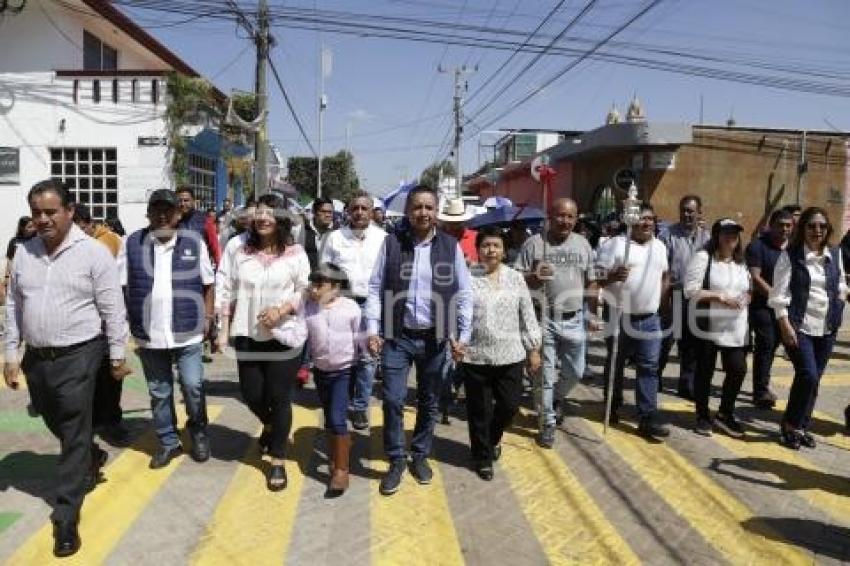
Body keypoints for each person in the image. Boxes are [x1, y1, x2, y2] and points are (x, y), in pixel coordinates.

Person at [4, 179, 129, 557]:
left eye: (50, 212)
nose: (42, 220)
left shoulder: (94, 253)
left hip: (81, 353)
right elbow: (13, 306)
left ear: (69, 211)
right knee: (51, 416)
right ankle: (89, 456)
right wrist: (10, 354)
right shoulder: (23, 253)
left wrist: (118, 355)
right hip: (37, 358)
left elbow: (112, 307)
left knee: (74, 426)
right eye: (36, 213)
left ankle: (66, 515)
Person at [365, 184, 472, 496]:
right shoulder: (392, 243)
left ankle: (420, 454)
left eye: (428, 207)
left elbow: (464, 293)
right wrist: (373, 328)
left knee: (429, 401)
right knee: (394, 399)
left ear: (436, 211)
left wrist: (462, 336)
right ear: (408, 211)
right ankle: (397, 458)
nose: (423, 212)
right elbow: (375, 287)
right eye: (417, 207)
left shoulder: (450, 247)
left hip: (436, 338)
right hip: (397, 336)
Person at [216, 193, 309, 490]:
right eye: (258, 212)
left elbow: (306, 289)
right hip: (247, 334)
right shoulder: (237, 247)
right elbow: (224, 286)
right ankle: (270, 426)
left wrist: (281, 310)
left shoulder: (295, 253)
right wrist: (222, 329)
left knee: (279, 396)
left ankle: (278, 460)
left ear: (281, 219)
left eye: (270, 213)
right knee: (253, 394)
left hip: (285, 335)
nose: (263, 218)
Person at [120, 190, 215, 468]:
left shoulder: (193, 242)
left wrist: (208, 316)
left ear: (177, 214)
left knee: (192, 385)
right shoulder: (132, 243)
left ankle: (198, 431)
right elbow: (121, 286)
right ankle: (168, 441)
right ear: (148, 213)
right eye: (156, 210)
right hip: (149, 333)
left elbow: (208, 283)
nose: (162, 215)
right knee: (159, 392)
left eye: (168, 210)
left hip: (188, 330)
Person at [273, 263, 363, 497]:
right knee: (330, 417)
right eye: (312, 283)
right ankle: (339, 446)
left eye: (319, 284)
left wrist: (370, 349)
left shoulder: (351, 308)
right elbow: (296, 338)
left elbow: (359, 337)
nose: (314, 288)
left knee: (336, 417)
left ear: (336, 287)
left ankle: (340, 470)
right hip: (322, 373)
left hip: (345, 371)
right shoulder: (309, 309)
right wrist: (273, 329)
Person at [460, 227, 541, 480]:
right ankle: (482, 457)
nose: (491, 250)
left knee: (510, 406)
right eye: (485, 245)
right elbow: (456, 313)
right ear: (478, 249)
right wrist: (455, 342)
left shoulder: (516, 278)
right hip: (475, 355)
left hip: (511, 355)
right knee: (479, 411)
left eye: (496, 245)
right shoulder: (467, 277)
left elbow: (527, 314)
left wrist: (534, 349)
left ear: (504, 251)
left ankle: (492, 439)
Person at [515, 198, 597, 448]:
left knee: (576, 371)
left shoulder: (583, 244)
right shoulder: (535, 244)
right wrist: (533, 275)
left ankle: (555, 399)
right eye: (560, 215)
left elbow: (591, 280)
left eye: (570, 217)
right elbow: (516, 279)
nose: (565, 221)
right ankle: (547, 421)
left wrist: (593, 313)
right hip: (543, 317)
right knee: (544, 375)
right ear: (550, 216)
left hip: (574, 318)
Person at [770, 207, 847, 450]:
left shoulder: (835, 254)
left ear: (828, 230)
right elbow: (778, 295)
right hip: (799, 326)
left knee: (814, 380)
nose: (817, 231)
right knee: (808, 375)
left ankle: (802, 426)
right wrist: (784, 324)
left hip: (827, 326)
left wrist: (841, 297)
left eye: (822, 226)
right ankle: (790, 425)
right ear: (802, 228)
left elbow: (841, 283)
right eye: (812, 226)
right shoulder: (790, 256)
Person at [597, 203, 671, 441]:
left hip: (649, 318)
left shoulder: (660, 246)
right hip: (618, 315)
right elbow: (595, 276)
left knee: (649, 367)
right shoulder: (616, 245)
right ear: (630, 221)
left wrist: (658, 301)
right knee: (616, 363)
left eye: (649, 218)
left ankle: (647, 416)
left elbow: (665, 276)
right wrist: (612, 275)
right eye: (640, 218)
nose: (645, 223)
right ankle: (613, 403)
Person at [320, 192, 387, 430]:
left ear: (371, 212)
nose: (359, 212)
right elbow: (325, 269)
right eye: (355, 208)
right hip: (342, 304)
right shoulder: (335, 238)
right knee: (344, 357)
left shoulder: (383, 238)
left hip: (371, 305)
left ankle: (360, 407)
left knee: (368, 359)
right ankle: (342, 401)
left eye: (364, 208)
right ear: (348, 211)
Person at [685, 218, 752, 438]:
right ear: (716, 236)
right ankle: (702, 416)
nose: (731, 237)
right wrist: (719, 297)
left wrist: (746, 297)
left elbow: (748, 288)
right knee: (705, 372)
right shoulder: (704, 258)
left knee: (738, 369)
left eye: (734, 233)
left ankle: (725, 413)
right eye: (725, 233)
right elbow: (690, 291)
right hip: (709, 325)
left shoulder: (741, 261)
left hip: (735, 328)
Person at [72, 204, 130, 445]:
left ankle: (112, 421)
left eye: (77, 226)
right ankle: (96, 419)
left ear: (88, 223)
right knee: (92, 376)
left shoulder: (106, 242)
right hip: (86, 322)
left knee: (110, 375)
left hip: (107, 318)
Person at [658, 195, 710, 399]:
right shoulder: (667, 235)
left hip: (697, 297)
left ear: (699, 212)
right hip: (673, 294)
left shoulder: (708, 239)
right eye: (684, 210)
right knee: (665, 340)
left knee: (691, 344)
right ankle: (655, 377)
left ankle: (687, 384)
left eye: (691, 211)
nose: (687, 214)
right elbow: (662, 268)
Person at [746, 209, 794, 408]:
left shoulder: (794, 248)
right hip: (762, 306)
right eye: (780, 224)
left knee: (775, 346)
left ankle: (764, 383)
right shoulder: (758, 246)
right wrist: (777, 298)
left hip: (786, 306)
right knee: (766, 343)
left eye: (788, 225)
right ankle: (760, 391)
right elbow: (756, 278)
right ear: (771, 225)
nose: (784, 229)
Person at [176, 186, 221, 265]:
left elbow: (215, 249)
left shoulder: (205, 221)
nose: (182, 204)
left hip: (199, 269)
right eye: (179, 201)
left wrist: (219, 270)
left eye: (186, 200)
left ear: (193, 201)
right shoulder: (173, 221)